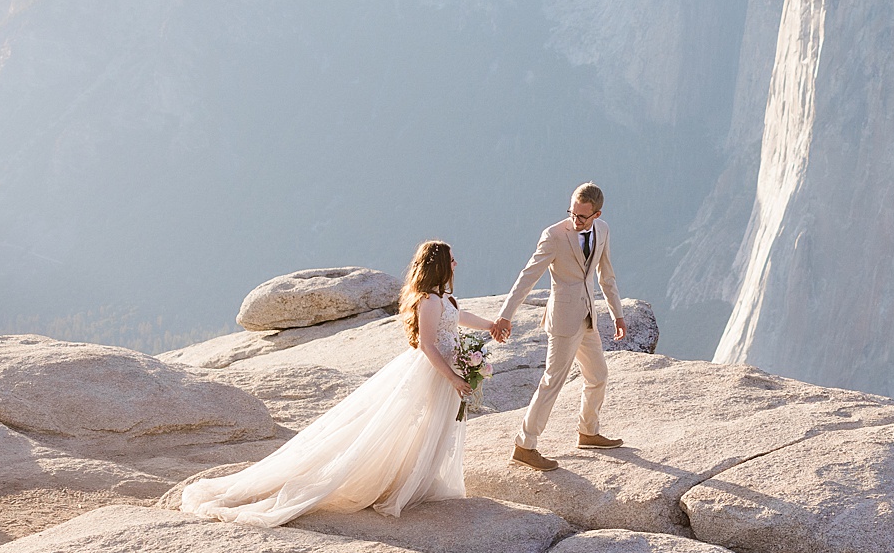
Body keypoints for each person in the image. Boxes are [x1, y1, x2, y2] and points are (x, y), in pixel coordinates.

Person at [179, 240, 496, 527]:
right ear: (439, 265)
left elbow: (458, 318)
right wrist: (453, 376)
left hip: (444, 371)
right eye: (452, 260)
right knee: (408, 426)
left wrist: (492, 325)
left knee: (434, 427)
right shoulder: (428, 301)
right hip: (432, 371)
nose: (457, 263)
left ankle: (419, 480)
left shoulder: (446, 299)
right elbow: (427, 345)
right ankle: (396, 483)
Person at [501, 181, 626, 473]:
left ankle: (588, 432)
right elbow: (527, 277)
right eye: (572, 212)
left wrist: (617, 314)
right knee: (552, 382)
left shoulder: (603, 230)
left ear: (597, 214)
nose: (575, 219)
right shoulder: (554, 236)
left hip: (588, 317)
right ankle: (525, 445)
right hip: (562, 321)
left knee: (598, 376)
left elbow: (606, 276)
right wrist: (506, 315)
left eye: (582, 216)